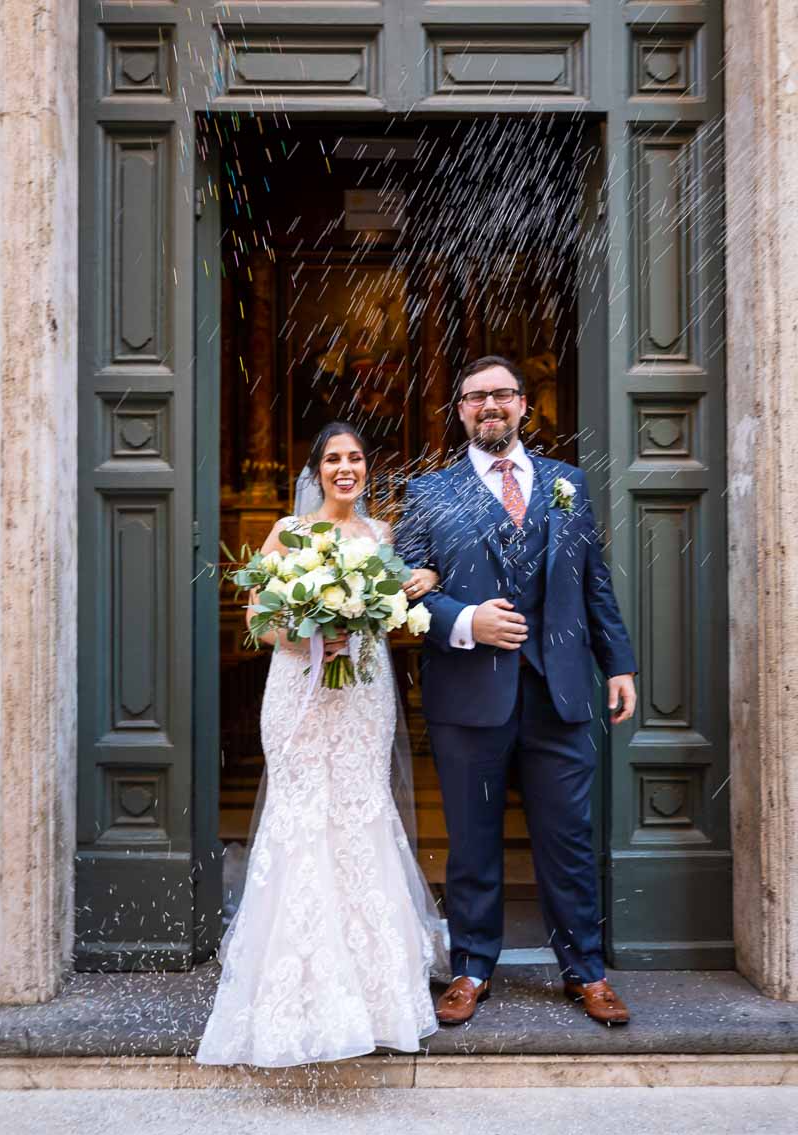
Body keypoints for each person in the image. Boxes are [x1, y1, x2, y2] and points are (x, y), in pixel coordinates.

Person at [395, 356, 638, 1027]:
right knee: (472, 841)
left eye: (501, 394)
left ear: (524, 405)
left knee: (569, 838)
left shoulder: (565, 486)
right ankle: (471, 967)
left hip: (559, 690)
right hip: (469, 694)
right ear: (462, 411)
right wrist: (465, 621)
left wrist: (618, 662)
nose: (489, 406)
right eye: (476, 398)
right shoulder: (429, 493)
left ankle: (585, 969)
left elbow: (593, 579)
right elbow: (402, 590)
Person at [197, 422, 445, 1068]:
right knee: (302, 811)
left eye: (355, 458)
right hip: (298, 693)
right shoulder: (290, 532)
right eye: (334, 458)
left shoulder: (382, 537)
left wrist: (399, 599)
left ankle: (373, 986)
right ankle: (298, 979)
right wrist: (309, 640)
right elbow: (258, 616)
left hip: (362, 690)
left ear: (367, 470)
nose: (345, 468)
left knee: (360, 807)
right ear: (315, 471)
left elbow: (390, 617)